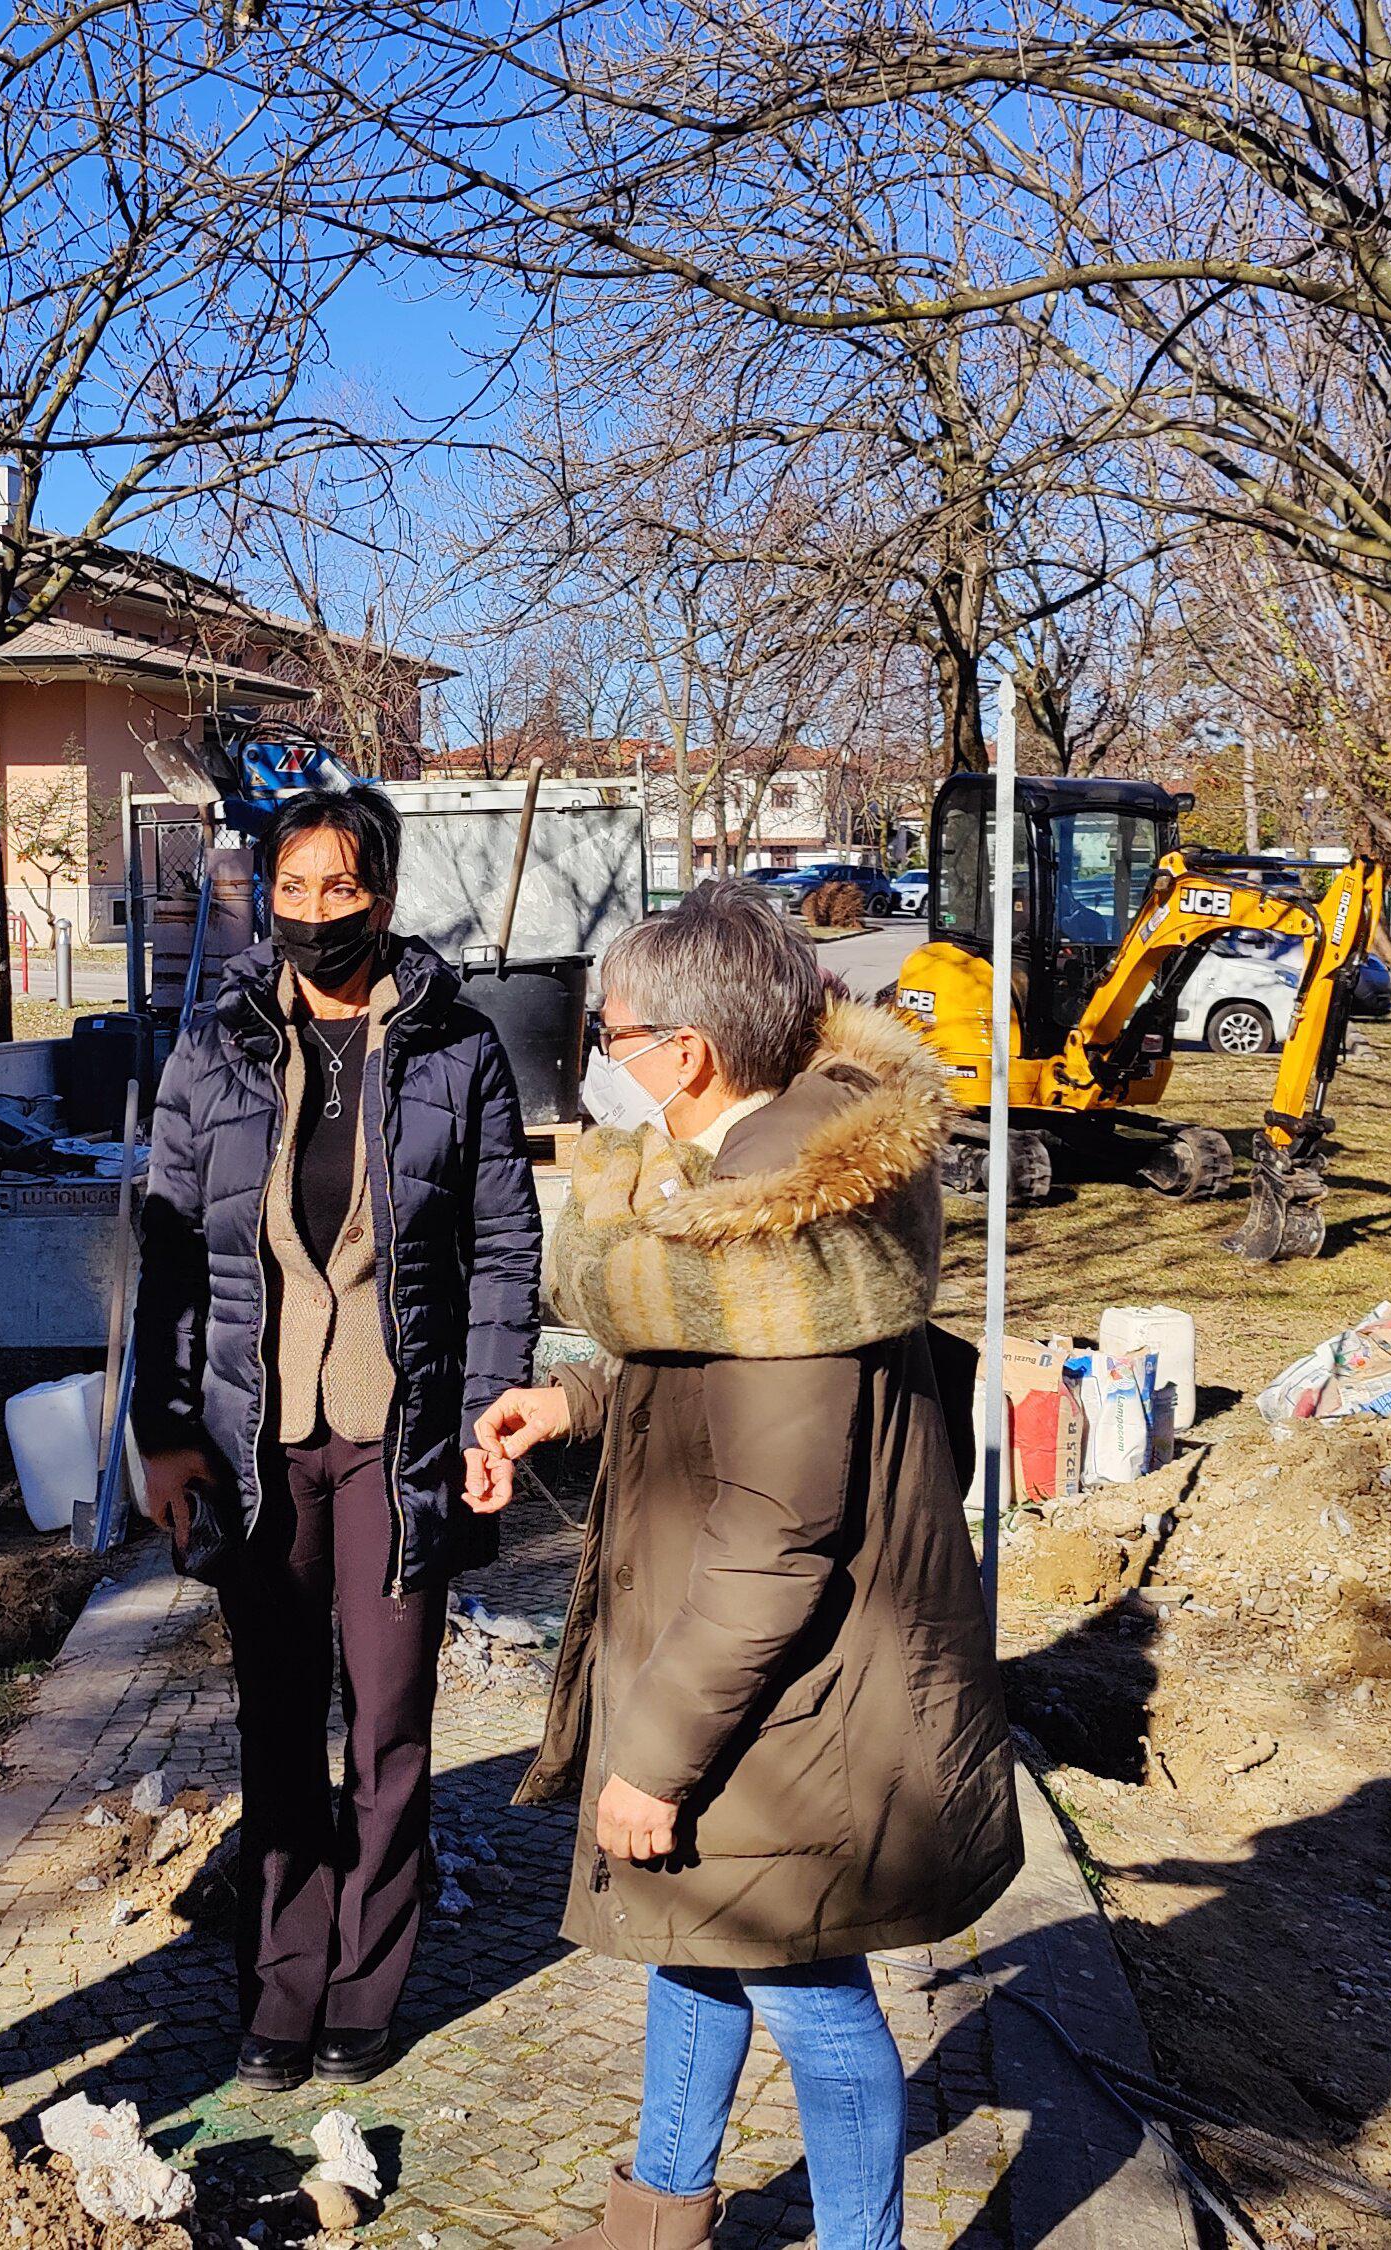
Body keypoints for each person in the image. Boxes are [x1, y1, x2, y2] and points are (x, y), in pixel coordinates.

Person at [471, 880, 1022, 2250]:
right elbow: (728, 1367)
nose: (608, 1062)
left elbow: (777, 1528)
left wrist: (650, 1753)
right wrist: (580, 1402)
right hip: (766, 1680)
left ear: (690, 1053)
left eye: (616, 1036)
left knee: (813, 2001)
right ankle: (658, 2216)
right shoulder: (782, 1170)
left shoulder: (778, 1207)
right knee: (691, 1940)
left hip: (789, 1695)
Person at [132, 783, 542, 2094]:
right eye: (293, 888)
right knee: (274, 1725)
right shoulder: (212, 1051)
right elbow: (167, 1260)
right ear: (266, 892)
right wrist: (161, 1426)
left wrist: (490, 1410)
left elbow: (501, 1253)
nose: (316, 914)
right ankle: (281, 1988)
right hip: (257, 1446)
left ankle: (367, 1989)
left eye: (341, 888)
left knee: (392, 1724)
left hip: (396, 1439)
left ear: (383, 892)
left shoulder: (455, 1050)